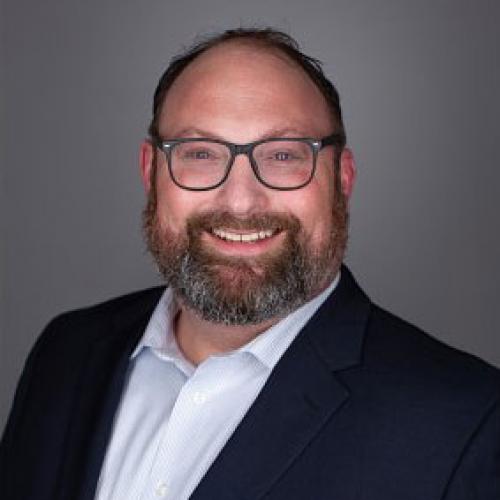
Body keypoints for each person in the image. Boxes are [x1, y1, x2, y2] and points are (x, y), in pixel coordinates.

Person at [1, 28, 499, 500]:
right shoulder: (65, 353)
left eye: (283, 156)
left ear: (342, 178)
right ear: (151, 171)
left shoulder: (467, 423)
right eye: (200, 153)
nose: (240, 201)